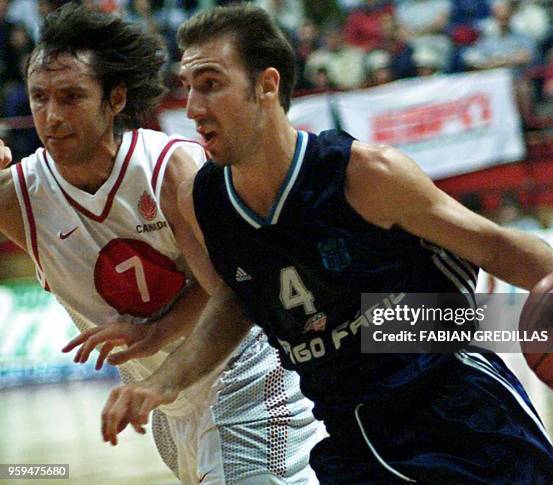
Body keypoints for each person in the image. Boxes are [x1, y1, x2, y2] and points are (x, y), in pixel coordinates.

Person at [101, 4, 553, 484]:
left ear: (266, 85)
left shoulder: (363, 174)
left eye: (209, 84)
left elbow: (494, 247)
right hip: (351, 437)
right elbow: (238, 296)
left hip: (460, 413)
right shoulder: (205, 200)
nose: (192, 108)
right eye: (186, 88)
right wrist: (164, 380)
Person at [0, 4, 321, 484]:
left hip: (246, 379)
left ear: (115, 99)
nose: (52, 115)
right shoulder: (18, 197)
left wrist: (155, 332)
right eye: (39, 97)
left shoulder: (170, 169)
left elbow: (229, 292)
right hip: (170, 410)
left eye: (71, 97)